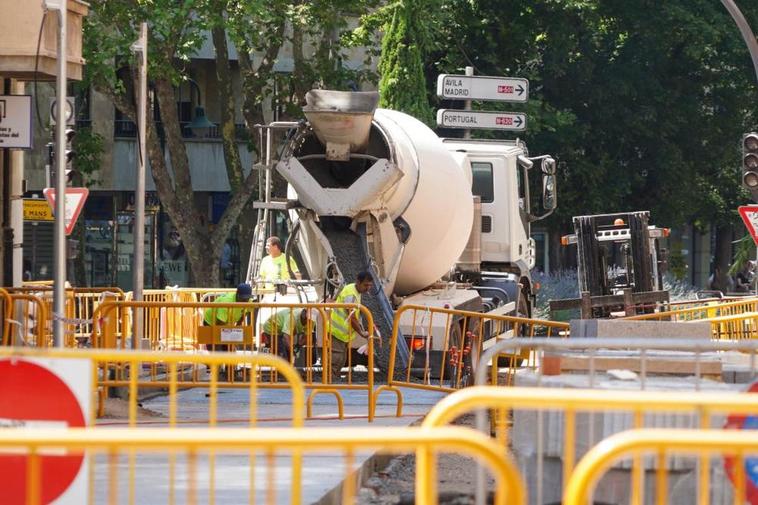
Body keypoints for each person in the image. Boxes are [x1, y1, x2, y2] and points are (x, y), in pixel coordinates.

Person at [328, 271, 375, 383]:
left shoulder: (354, 291)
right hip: (337, 331)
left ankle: (334, 379)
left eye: (370, 285)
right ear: (358, 282)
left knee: (341, 358)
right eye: (365, 285)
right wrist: (361, 332)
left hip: (342, 333)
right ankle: (330, 381)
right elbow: (352, 316)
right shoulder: (351, 294)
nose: (368, 288)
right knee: (336, 358)